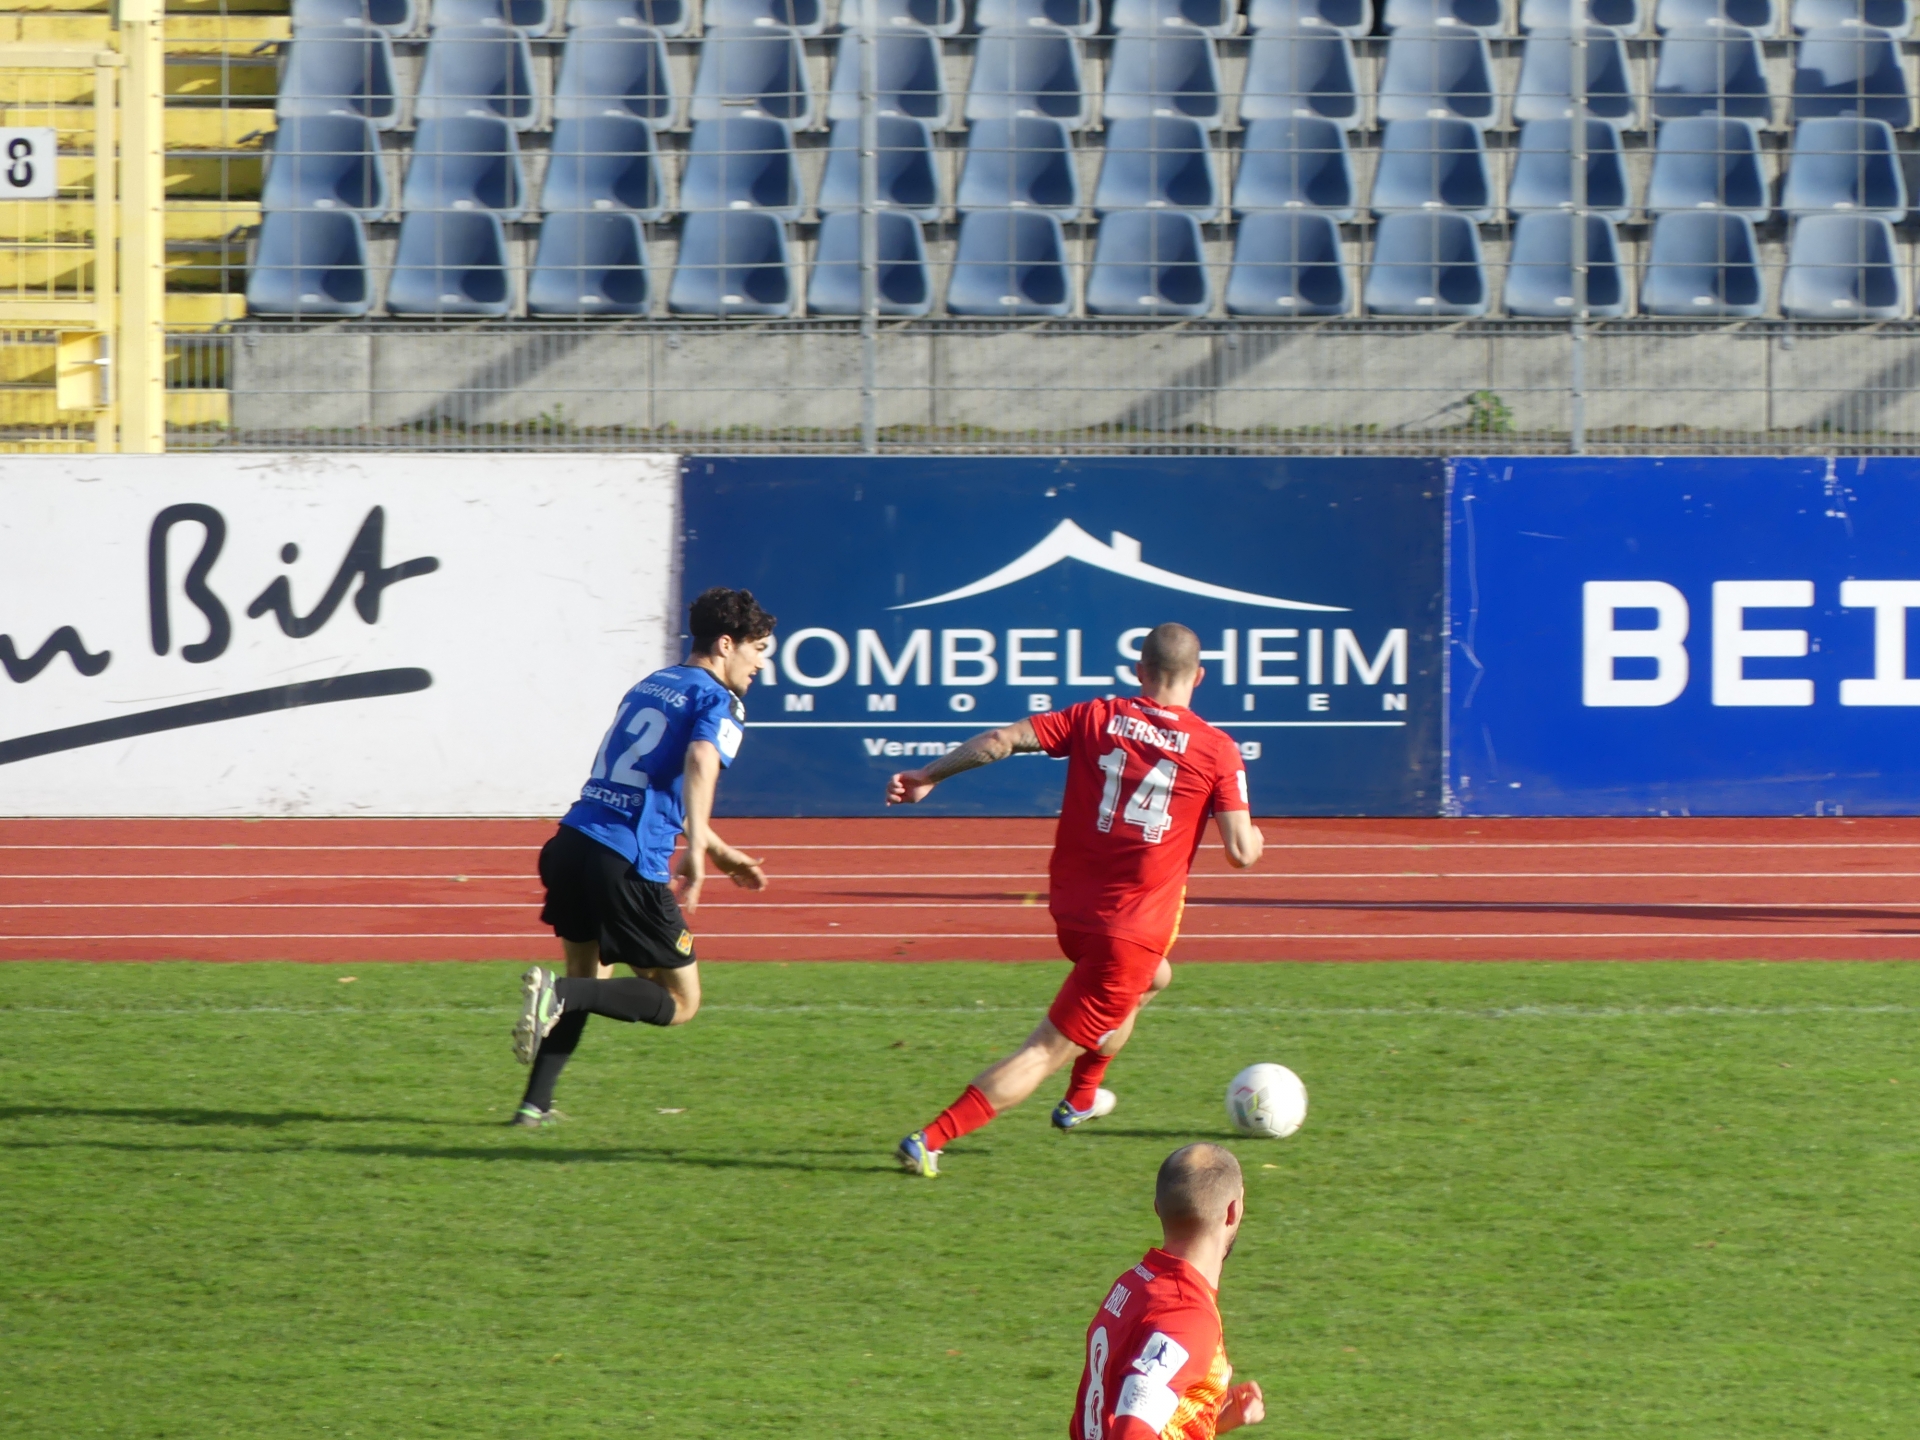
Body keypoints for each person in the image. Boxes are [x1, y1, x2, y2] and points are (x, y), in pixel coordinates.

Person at [887, 622, 1264, 1177]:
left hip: (1073, 914)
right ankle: (929, 1139)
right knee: (1044, 1049)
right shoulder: (1216, 749)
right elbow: (1240, 853)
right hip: (1128, 933)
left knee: (1154, 980)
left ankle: (1082, 1097)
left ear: (1139, 671)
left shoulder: (1096, 716)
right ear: (1199, 677)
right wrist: (1256, 838)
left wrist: (928, 774)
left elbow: (999, 741)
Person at [507, 587, 776, 1127]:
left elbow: (651, 787)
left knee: (591, 979)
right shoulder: (720, 700)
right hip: (626, 862)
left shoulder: (653, 684)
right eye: (757, 649)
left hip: (573, 843)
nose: (760, 664)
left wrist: (715, 847)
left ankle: (533, 1108)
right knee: (680, 1002)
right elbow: (701, 760)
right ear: (726, 644)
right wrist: (695, 850)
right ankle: (559, 995)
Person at [1071, 1144, 1266, 1439]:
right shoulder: (1186, 1317)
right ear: (1233, 1210)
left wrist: (1207, 1419)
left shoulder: (1135, 1284)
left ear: (1157, 1208)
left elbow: (1121, 1403)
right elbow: (1131, 1432)